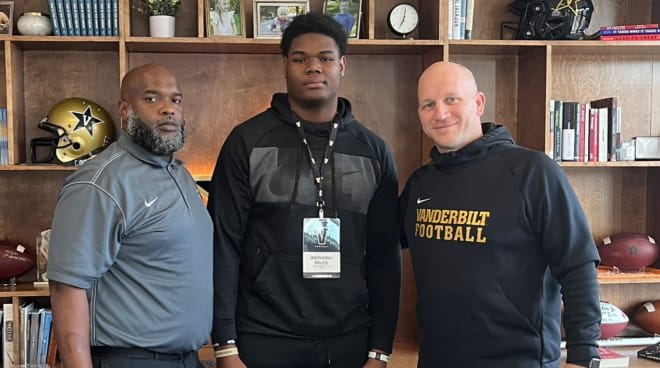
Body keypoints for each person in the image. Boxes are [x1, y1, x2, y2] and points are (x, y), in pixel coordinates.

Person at [208, 12, 401, 368]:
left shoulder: (373, 151)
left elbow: (384, 256)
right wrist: (225, 344)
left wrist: (380, 350)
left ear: (342, 65)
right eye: (300, 59)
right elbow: (224, 244)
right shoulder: (247, 141)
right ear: (285, 65)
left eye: (325, 58)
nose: (314, 68)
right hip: (263, 336)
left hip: (350, 338)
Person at [398, 61, 602, 368]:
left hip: (519, 361)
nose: (440, 113)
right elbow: (375, 245)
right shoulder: (421, 183)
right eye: (428, 104)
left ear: (478, 103)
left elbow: (578, 265)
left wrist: (584, 355)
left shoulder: (533, 172)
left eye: (451, 99)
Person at [48, 63, 213, 368]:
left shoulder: (180, 173)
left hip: (187, 359)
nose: (168, 109)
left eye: (175, 100)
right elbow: (66, 288)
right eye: (152, 99)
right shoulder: (100, 182)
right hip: (129, 359)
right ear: (125, 109)